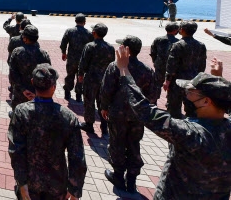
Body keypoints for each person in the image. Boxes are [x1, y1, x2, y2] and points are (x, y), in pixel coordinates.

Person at [114, 46, 231, 199]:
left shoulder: (191, 133)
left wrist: (124, 70)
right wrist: (218, 81)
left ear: (206, 101)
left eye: (191, 91)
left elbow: (145, 111)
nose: (187, 92)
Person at [8, 64, 87, 200]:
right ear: (54, 87)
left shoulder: (21, 112)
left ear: (33, 82)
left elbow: (16, 151)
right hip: (57, 185)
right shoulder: (68, 117)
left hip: (30, 182)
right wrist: (74, 189)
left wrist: (21, 183)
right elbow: (77, 157)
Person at [100, 36, 154, 193]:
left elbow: (106, 90)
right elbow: (152, 95)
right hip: (138, 116)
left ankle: (118, 176)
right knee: (134, 144)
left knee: (117, 144)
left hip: (118, 115)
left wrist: (104, 107)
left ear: (127, 49)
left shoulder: (115, 66)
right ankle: (131, 181)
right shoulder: (147, 70)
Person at [77, 23, 115, 135]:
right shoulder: (110, 48)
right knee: (103, 103)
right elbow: (112, 64)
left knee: (89, 102)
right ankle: (104, 127)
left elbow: (83, 62)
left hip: (91, 79)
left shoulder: (90, 46)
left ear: (94, 33)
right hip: (104, 80)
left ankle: (89, 125)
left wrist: (80, 75)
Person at [164, 20, 207, 118]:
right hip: (193, 81)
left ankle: (175, 130)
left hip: (178, 81)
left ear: (182, 30)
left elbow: (171, 65)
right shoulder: (201, 45)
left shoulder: (177, 45)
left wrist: (167, 81)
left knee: (173, 108)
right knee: (192, 108)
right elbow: (202, 65)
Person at [9, 25, 51, 114]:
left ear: (25, 38)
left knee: (17, 116)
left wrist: (23, 89)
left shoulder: (17, 52)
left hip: (20, 92)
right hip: (37, 93)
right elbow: (49, 75)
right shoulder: (44, 54)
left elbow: (12, 74)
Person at [60, 13, 93, 102]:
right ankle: (78, 96)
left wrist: (64, 52)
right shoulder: (89, 33)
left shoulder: (69, 31)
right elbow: (92, 47)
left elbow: (63, 43)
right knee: (80, 77)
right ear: (84, 22)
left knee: (70, 75)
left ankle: (67, 93)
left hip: (71, 59)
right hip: (83, 60)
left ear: (75, 21)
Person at [150, 22, 179, 102]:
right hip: (172, 68)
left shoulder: (158, 40)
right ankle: (170, 103)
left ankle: (153, 101)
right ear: (174, 30)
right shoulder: (178, 42)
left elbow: (153, 52)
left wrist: (155, 62)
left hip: (159, 65)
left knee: (156, 85)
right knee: (172, 85)